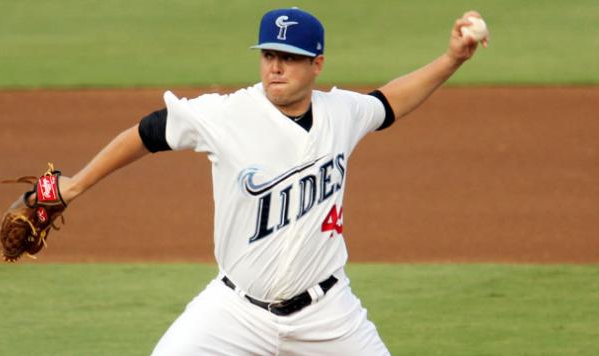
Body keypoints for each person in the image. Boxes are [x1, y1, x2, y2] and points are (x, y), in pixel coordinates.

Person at [55, 7, 488, 355]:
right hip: (235, 311)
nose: (276, 68)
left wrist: (452, 58)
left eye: (290, 58)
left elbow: (388, 102)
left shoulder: (341, 113)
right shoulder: (224, 115)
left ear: (317, 64)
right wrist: (74, 185)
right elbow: (147, 133)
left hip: (328, 314)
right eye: (268, 56)